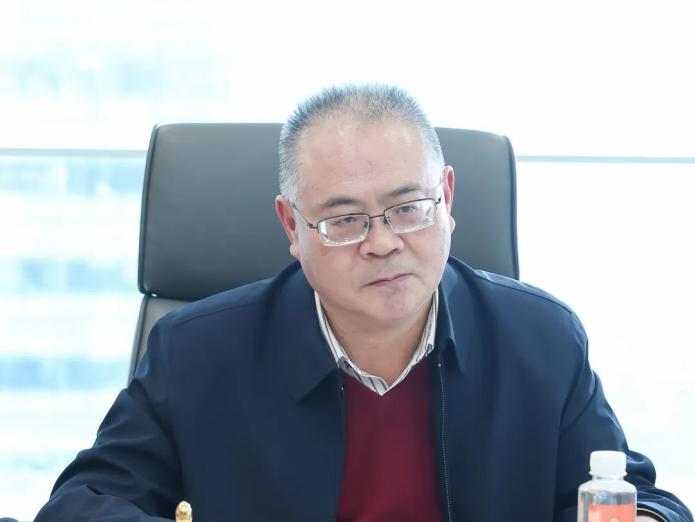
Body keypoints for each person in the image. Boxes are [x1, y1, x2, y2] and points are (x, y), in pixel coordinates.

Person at [35, 84, 692, 522]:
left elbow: (631, 491)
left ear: (448, 199)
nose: (382, 243)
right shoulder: (197, 352)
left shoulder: (539, 338)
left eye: (408, 208)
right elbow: (82, 503)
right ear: (292, 226)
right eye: (345, 220)